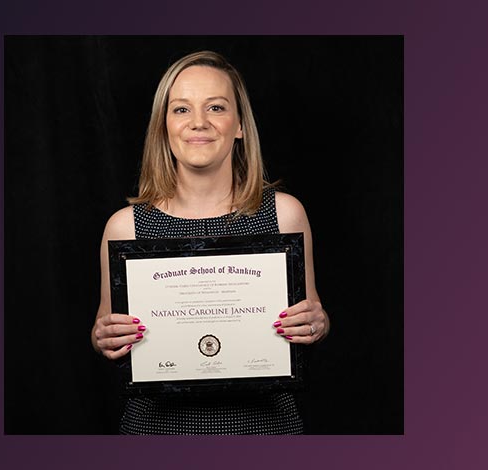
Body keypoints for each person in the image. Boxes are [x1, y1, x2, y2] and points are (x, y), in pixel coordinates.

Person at [90, 50, 330, 434]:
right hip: (156, 432)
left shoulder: (284, 215)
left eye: (216, 107)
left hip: (265, 430)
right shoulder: (125, 228)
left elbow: (312, 315)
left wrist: (316, 323)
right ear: (163, 126)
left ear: (239, 126)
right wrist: (105, 336)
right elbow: (104, 329)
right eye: (181, 110)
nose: (198, 123)